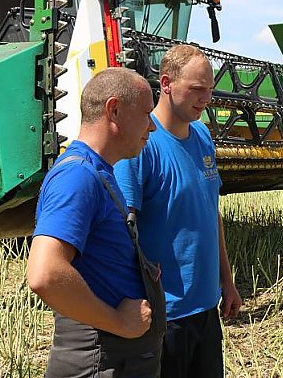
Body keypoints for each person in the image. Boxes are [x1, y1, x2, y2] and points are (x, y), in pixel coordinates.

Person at [114, 44, 242, 378]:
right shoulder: (142, 144)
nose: (206, 99)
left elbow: (210, 212)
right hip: (165, 314)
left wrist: (226, 282)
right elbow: (123, 232)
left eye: (210, 90)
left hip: (206, 304)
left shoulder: (202, 135)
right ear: (166, 83)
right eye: (197, 90)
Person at [27, 67, 163, 377]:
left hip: (117, 358)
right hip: (101, 359)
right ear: (114, 110)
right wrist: (120, 322)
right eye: (145, 113)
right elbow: (44, 273)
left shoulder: (100, 171)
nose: (152, 127)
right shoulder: (77, 176)